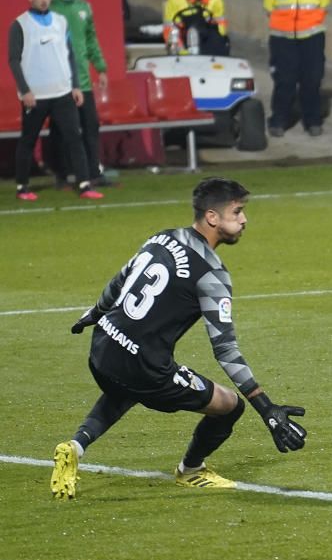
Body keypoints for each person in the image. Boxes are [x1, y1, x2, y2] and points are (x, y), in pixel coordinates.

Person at [50, 177, 307, 499]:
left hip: (103, 346)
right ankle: (191, 470)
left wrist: (96, 313)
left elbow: (119, 281)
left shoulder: (163, 238)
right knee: (229, 406)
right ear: (213, 217)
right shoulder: (212, 273)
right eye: (237, 211)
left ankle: (75, 446)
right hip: (142, 363)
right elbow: (225, 349)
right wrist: (266, 408)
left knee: (125, 387)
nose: (244, 219)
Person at [7, 0, 103, 201]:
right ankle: (22, 186)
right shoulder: (20, 24)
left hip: (62, 92)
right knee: (28, 140)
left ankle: (84, 183)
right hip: (35, 95)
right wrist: (25, 90)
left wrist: (76, 86)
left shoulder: (61, 21)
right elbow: (13, 60)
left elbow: (69, 55)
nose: (43, 0)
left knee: (74, 137)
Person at [49, 0, 111, 188]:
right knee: (63, 130)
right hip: (59, 83)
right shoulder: (50, 11)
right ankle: (63, 174)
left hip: (83, 80)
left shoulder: (84, 7)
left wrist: (101, 68)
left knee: (91, 126)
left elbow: (91, 40)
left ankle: (94, 172)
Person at [262, 0, 330, 138]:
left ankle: (313, 121)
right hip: (283, 40)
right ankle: (278, 121)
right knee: (285, 81)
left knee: (312, 80)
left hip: (312, 38)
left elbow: (323, 6)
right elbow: (269, 9)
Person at [163, 0, 230, 56]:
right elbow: (170, 30)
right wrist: (183, 53)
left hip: (207, 39)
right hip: (184, 40)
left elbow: (221, 26)